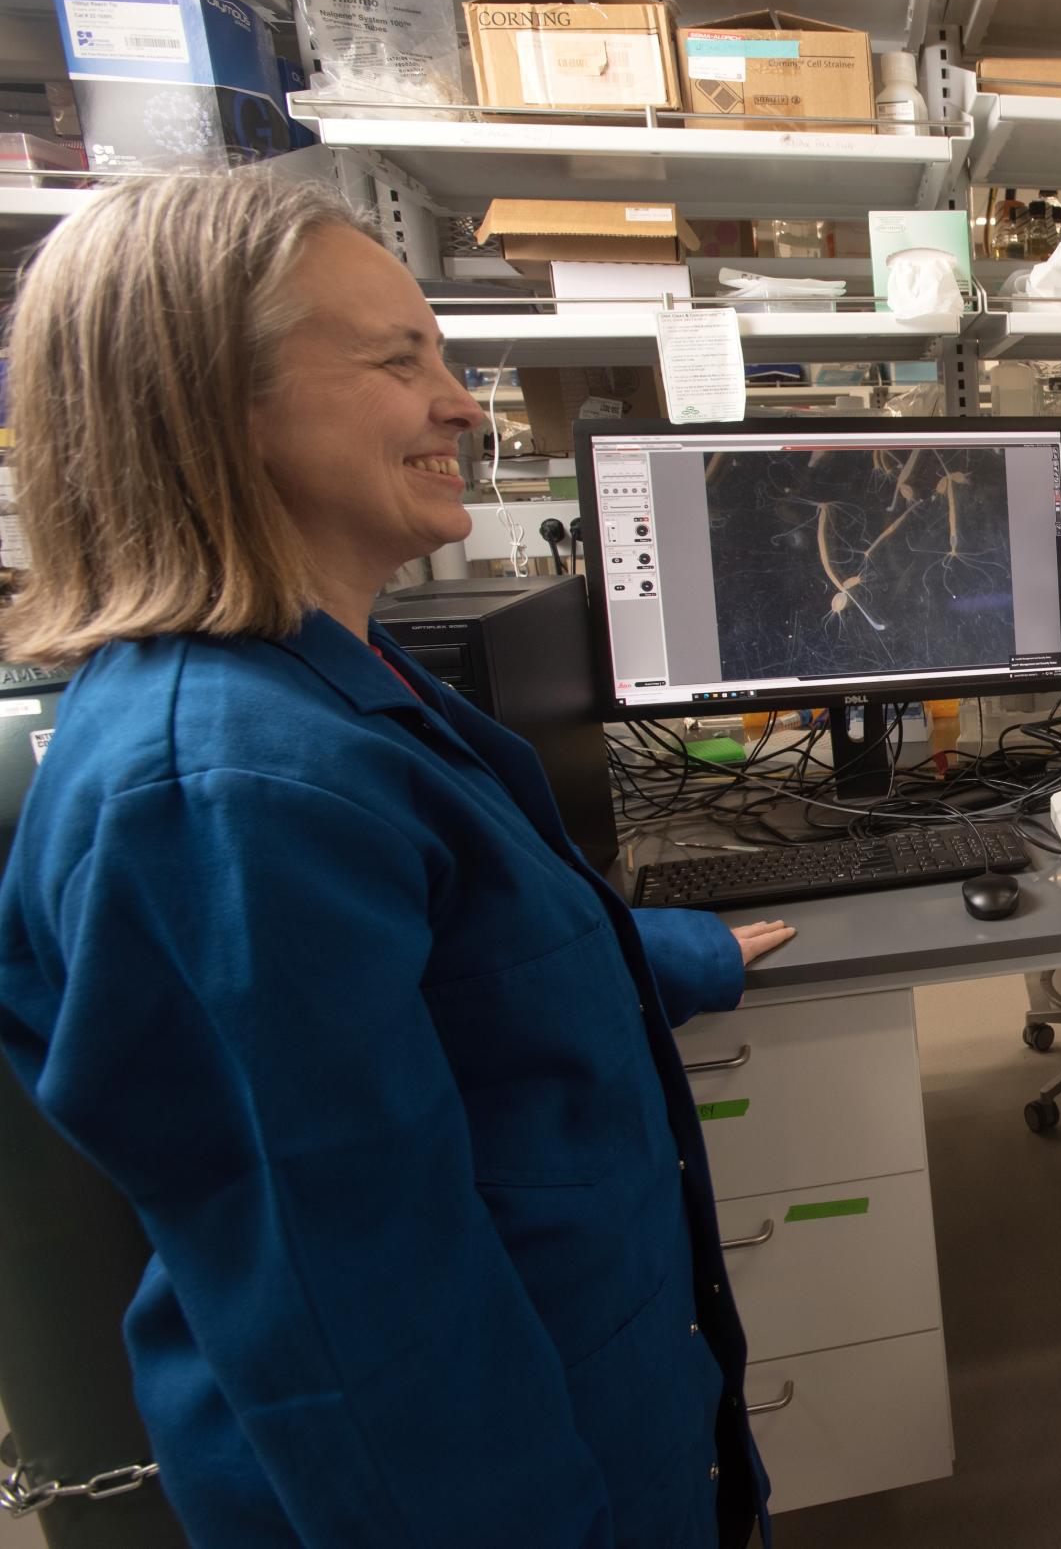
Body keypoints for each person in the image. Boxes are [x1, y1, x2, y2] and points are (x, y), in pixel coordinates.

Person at [0, 170, 795, 1546]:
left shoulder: (331, 691)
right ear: (206, 400)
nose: (465, 405)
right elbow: (358, 1323)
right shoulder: (226, 791)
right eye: (396, 357)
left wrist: (684, 947)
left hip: (594, 1402)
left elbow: (465, 965)